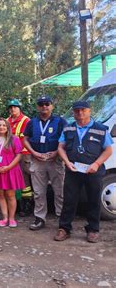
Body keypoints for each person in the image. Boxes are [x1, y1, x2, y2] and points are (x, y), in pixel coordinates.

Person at [54, 101, 113, 243]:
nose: (80, 113)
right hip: (73, 170)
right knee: (69, 200)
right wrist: (67, 162)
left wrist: (97, 164)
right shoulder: (68, 128)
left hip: (93, 171)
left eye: (83, 110)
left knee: (93, 200)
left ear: (89, 111)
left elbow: (109, 150)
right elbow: (60, 147)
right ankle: (64, 229)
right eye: (76, 110)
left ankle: (93, 230)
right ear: (73, 112)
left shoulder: (100, 129)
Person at [23, 96, 67, 231]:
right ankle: (40, 218)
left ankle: (62, 220)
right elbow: (25, 139)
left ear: (52, 106)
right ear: (37, 107)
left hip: (55, 160)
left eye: (47, 104)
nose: (44, 107)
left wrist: (56, 153)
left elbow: (66, 139)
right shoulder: (32, 122)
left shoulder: (60, 121)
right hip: (37, 160)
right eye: (41, 104)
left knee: (59, 190)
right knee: (38, 192)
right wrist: (34, 153)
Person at [0, 119, 26, 228]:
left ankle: (12, 219)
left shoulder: (14, 139)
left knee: (10, 195)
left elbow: (19, 155)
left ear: (8, 127)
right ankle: (4, 218)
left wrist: (8, 167)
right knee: (0, 195)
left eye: (4, 125)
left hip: (10, 170)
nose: (1, 127)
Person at [7, 99, 33, 216]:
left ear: (19, 108)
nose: (13, 109)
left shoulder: (26, 120)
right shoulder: (7, 121)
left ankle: (27, 205)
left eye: (15, 107)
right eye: (11, 107)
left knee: (24, 180)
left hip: (23, 154)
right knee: (12, 180)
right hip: (9, 155)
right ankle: (15, 204)